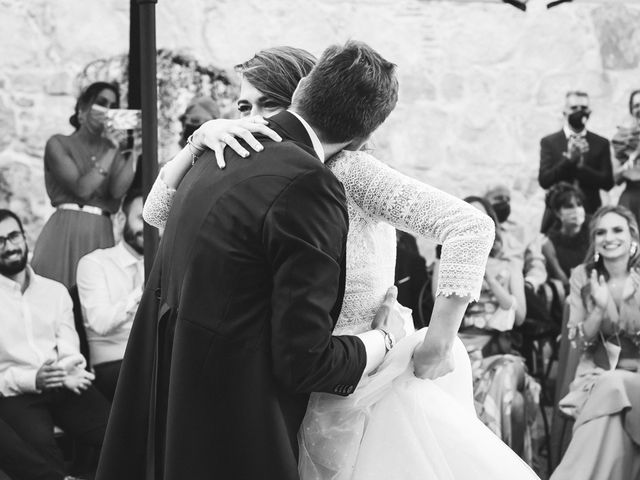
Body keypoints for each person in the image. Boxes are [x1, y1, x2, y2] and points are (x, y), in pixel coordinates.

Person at [140, 45, 540, 479]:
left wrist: (437, 344)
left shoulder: (352, 170)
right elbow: (158, 213)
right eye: (242, 106)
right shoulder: (244, 155)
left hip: (364, 383)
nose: (251, 120)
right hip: (299, 379)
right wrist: (197, 141)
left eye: (266, 105)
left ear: (299, 100)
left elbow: (471, 228)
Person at [0, 209, 110, 479]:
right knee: (40, 447)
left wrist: (67, 370)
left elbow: (69, 345)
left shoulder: (55, 292)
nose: (9, 246)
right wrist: (33, 379)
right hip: (17, 392)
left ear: (25, 237)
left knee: (114, 431)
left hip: (64, 383)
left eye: (13, 236)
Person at [433, 196, 540, 465]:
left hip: (502, 349)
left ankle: (490, 465)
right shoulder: (447, 263)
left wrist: (489, 279)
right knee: (508, 402)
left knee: (502, 375)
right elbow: (438, 310)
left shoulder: (509, 266)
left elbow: (520, 317)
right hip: (462, 348)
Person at [551, 205, 640, 480]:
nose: (608, 237)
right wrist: (600, 309)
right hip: (596, 373)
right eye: (601, 232)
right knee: (608, 396)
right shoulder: (583, 276)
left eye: (617, 230)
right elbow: (578, 338)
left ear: (632, 236)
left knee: (612, 389)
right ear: (594, 240)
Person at [31, 82, 138, 288]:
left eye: (112, 105)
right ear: (83, 108)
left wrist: (135, 151)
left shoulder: (113, 149)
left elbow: (117, 192)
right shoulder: (58, 143)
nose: (107, 110)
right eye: (101, 103)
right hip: (65, 230)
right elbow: (82, 189)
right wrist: (111, 150)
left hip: (100, 230)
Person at [76, 190, 144, 401]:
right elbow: (101, 322)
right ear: (122, 219)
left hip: (158, 358)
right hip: (113, 364)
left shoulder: (166, 264)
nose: (153, 227)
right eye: (142, 219)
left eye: (159, 220)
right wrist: (142, 293)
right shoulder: (95, 263)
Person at [538, 91, 613, 234]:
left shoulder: (600, 143)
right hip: (556, 216)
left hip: (590, 213)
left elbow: (607, 182)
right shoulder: (550, 142)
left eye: (583, 108)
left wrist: (580, 167)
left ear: (589, 112)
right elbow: (544, 180)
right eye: (574, 108)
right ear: (564, 111)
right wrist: (568, 161)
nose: (579, 112)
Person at [541, 182, 590, 293]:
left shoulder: (593, 235)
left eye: (579, 205)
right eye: (569, 206)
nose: (576, 210)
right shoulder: (550, 244)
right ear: (558, 213)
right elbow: (563, 281)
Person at [612, 89, 640, 227]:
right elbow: (615, 178)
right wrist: (627, 165)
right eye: (636, 105)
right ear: (631, 110)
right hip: (633, 199)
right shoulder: (622, 139)